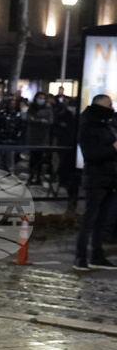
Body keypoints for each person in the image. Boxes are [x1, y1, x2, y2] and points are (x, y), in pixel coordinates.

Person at [74, 94, 117, 271]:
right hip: (95, 178)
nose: (112, 108)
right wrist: (113, 149)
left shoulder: (105, 124)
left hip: (109, 178)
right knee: (90, 219)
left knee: (101, 219)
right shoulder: (88, 126)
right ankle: (80, 257)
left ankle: (97, 256)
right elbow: (91, 154)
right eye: (109, 105)